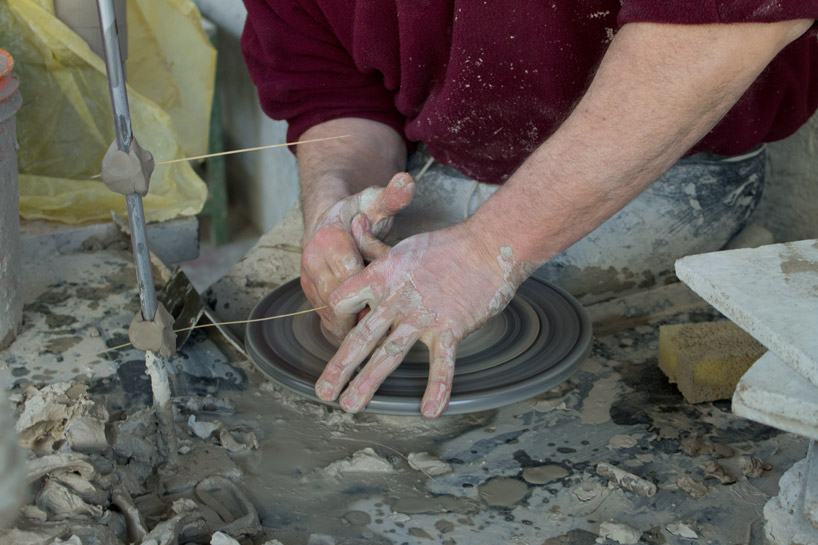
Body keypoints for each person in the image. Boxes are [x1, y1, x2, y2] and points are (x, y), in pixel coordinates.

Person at [240, 1, 818, 418]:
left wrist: (493, 248)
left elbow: (721, 27)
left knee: (540, 390)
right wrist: (336, 204)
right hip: (428, 161)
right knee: (351, 318)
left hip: (664, 166)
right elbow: (332, 85)